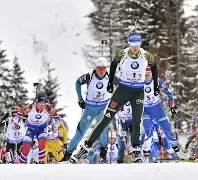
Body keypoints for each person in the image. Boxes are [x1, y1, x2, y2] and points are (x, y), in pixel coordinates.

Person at [70, 32, 159, 163]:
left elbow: (154, 66)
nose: (135, 47)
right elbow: (112, 65)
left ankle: (135, 150)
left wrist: (155, 85)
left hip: (138, 91)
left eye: (137, 44)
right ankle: (84, 148)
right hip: (123, 90)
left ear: (140, 44)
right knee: (106, 119)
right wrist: (110, 83)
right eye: (132, 44)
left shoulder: (146, 55)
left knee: (136, 120)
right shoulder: (122, 54)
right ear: (129, 44)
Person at [62, 57, 110, 162]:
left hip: (103, 108)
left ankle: (103, 155)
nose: (101, 71)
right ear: (95, 68)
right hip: (90, 109)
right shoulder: (89, 76)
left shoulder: (110, 76)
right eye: (99, 68)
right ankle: (67, 155)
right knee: (80, 133)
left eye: (103, 68)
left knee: (103, 130)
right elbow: (77, 83)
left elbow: (121, 85)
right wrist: (80, 99)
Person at [142, 66, 188, 159]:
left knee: (167, 129)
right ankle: (146, 154)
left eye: (148, 74)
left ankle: (177, 152)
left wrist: (172, 107)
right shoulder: (139, 82)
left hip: (157, 108)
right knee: (147, 129)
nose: (147, 76)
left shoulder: (158, 81)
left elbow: (170, 95)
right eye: (145, 75)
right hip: (145, 109)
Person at [18, 93, 59, 164]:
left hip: (41, 129)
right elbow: (19, 114)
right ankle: (20, 163)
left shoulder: (48, 108)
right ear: (36, 103)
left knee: (42, 144)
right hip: (31, 129)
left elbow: (57, 118)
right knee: (26, 148)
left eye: (43, 104)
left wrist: (54, 126)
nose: (42, 106)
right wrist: (21, 114)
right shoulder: (30, 107)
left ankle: (41, 163)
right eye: (40, 104)